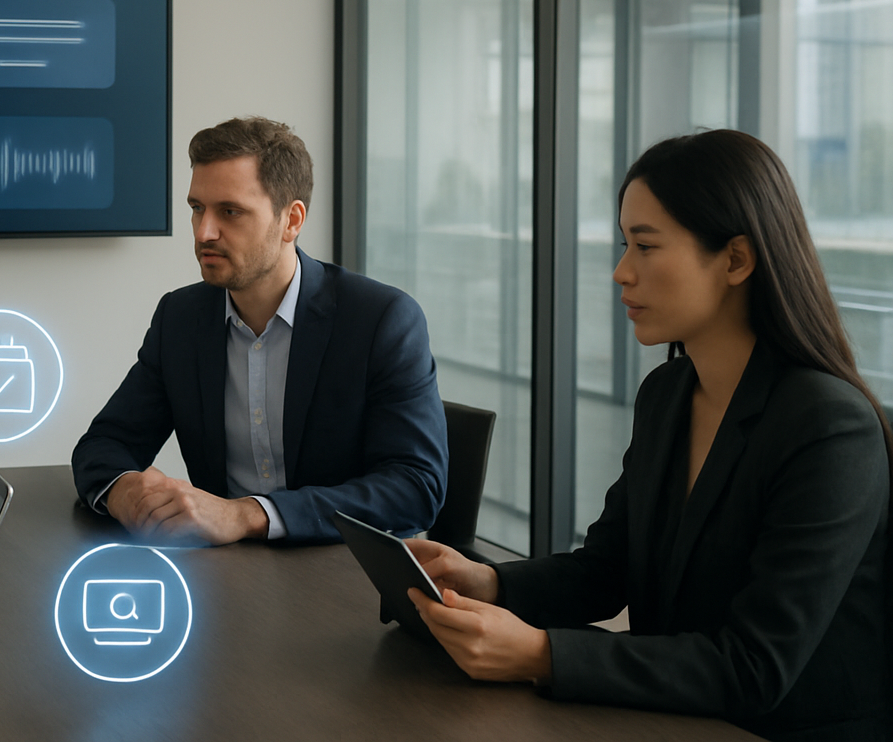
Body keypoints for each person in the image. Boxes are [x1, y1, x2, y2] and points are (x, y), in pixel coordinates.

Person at [404, 130, 890, 742]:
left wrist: (539, 654)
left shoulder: (829, 426)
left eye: (645, 246)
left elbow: (755, 667)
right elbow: (608, 570)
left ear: (737, 260)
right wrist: (492, 582)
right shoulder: (668, 395)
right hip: (669, 720)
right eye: (623, 244)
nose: (620, 272)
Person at [71, 116, 447, 546]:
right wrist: (126, 493)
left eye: (230, 212)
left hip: (345, 574)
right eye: (197, 209)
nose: (204, 232)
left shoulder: (381, 320)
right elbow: (103, 444)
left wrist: (249, 515)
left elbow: (416, 487)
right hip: (226, 574)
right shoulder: (180, 317)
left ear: (291, 220)